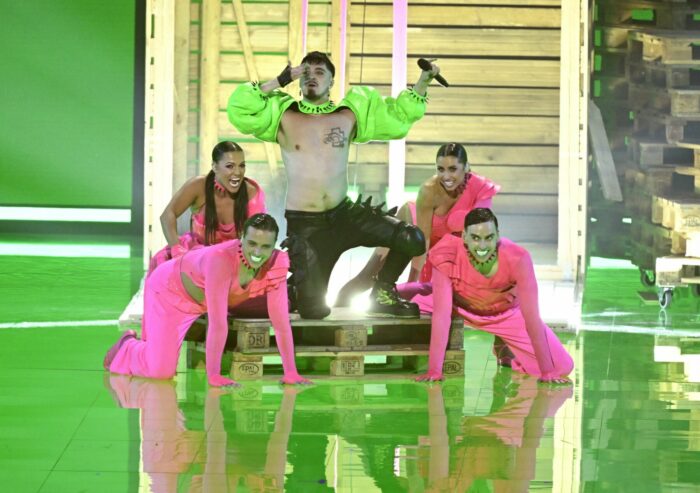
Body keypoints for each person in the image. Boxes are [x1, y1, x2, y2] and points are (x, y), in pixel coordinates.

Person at [227, 51, 441, 319]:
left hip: (345, 215)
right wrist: (280, 80)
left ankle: (383, 293)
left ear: (331, 82)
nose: (311, 77)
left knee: (412, 238)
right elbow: (239, 108)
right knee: (314, 310)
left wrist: (424, 80)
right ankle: (296, 289)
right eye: (306, 73)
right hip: (307, 227)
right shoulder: (283, 114)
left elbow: (398, 116)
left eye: (319, 72)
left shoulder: (348, 114)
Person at [104, 214, 311, 387]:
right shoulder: (221, 259)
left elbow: (281, 323)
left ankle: (140, 349)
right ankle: (127, 346)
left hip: (201, 302)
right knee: (160, 372)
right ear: (241, 238)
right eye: (252, 243)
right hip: (170, 291)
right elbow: (218, 324)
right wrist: (214, 375)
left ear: (274, 246)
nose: (257, 253)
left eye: (265, 247)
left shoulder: (278, 263)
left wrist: (290, 372)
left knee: (160, 368)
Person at [400, 208, 574, 383]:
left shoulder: (518, 258)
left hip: (505, 315)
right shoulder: (446, 253)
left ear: (497, 236)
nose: (482, 246)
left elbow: (532, 318)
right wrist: (435, 370)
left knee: (562, 368)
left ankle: (506, 352)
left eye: (488, 238)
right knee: (395, 296)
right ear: (464, 237)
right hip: (458, 306)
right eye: (475, 238)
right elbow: (442, 315)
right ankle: (420, 288)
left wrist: (547, 372)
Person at [335, 142, 500, 306]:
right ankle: (338, 309)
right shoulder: (429, 190)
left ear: (466, 167)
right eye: (440, 169)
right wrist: (411, 285)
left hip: (445, 247)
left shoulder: (481, 187)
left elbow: (481, 228)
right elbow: (422, 242)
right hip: (410, 227)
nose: (446, 176)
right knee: (367, 278)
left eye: (452, 169)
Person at [148, 140, 266, 274]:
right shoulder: (198, 186)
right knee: (163, 264)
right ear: (215, 167)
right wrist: (177, 250)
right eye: (230, 166)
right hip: (196, 257)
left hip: (236, 262)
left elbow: (259, 237)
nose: (238, 172)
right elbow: (167, 215)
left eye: (242, 166)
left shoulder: (251, 193)